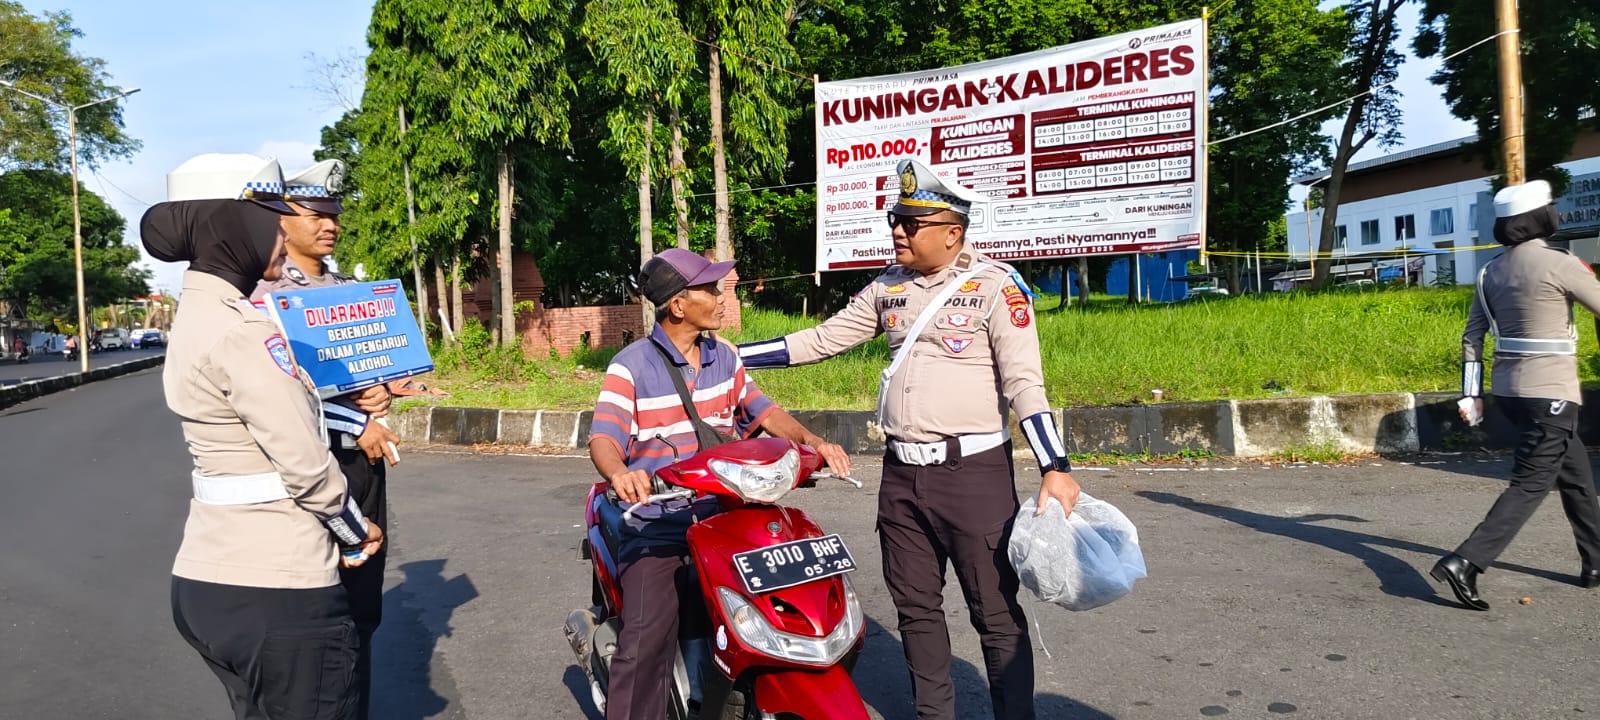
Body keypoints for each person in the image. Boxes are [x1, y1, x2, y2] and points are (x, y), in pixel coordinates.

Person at [736, 159, 1080, 720]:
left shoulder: (996, 287)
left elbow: (1025, 384)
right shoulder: (887, 286)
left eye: (912, 223)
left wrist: (1054, 466)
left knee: (994, 614)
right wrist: (729, 357)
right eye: (895, 219)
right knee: (916, 611)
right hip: (901, 477)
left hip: (974, 477)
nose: (898, 230)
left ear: (952, 233)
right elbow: (821, 340)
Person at [142, 153, 383, 719]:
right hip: (280, 590)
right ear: (234, 225)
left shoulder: (198, 316)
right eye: (271, 220)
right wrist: (355, 531)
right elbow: (304, 462)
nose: (281, 233)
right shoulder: (245, 332)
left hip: (208, 579)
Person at [587, 247, 853, 720]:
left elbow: (764, 412)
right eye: (709, 289)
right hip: (659, 522)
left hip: (725, 514)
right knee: (646, 639)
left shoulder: (724, 356)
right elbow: (604, 438)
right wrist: (621, 473)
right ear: (678, 305)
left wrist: (814, 442)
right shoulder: (630, 366)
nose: (721, 296)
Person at [250, 159, 399, 720]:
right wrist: (354, 421)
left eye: (333, 214)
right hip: (309, 464)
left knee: (363, 604)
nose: (329, 224)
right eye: (315, 214)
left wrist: (381, 392)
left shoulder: (345, 290)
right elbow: (277, 392)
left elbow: (370, 368)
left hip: (363, 466)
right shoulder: (263, 296)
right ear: (281, 220)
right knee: (319, 606)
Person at [1432, 179, 1600, 610]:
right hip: (1551, 394)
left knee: (1577, 478)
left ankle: (1595, 562)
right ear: (1542, 217)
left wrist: (1470, 395)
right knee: (1531, 483)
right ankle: (1466, 561)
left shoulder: (1489, 271)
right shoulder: (1561, 263)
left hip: (1509, 393)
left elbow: (1472, 336)